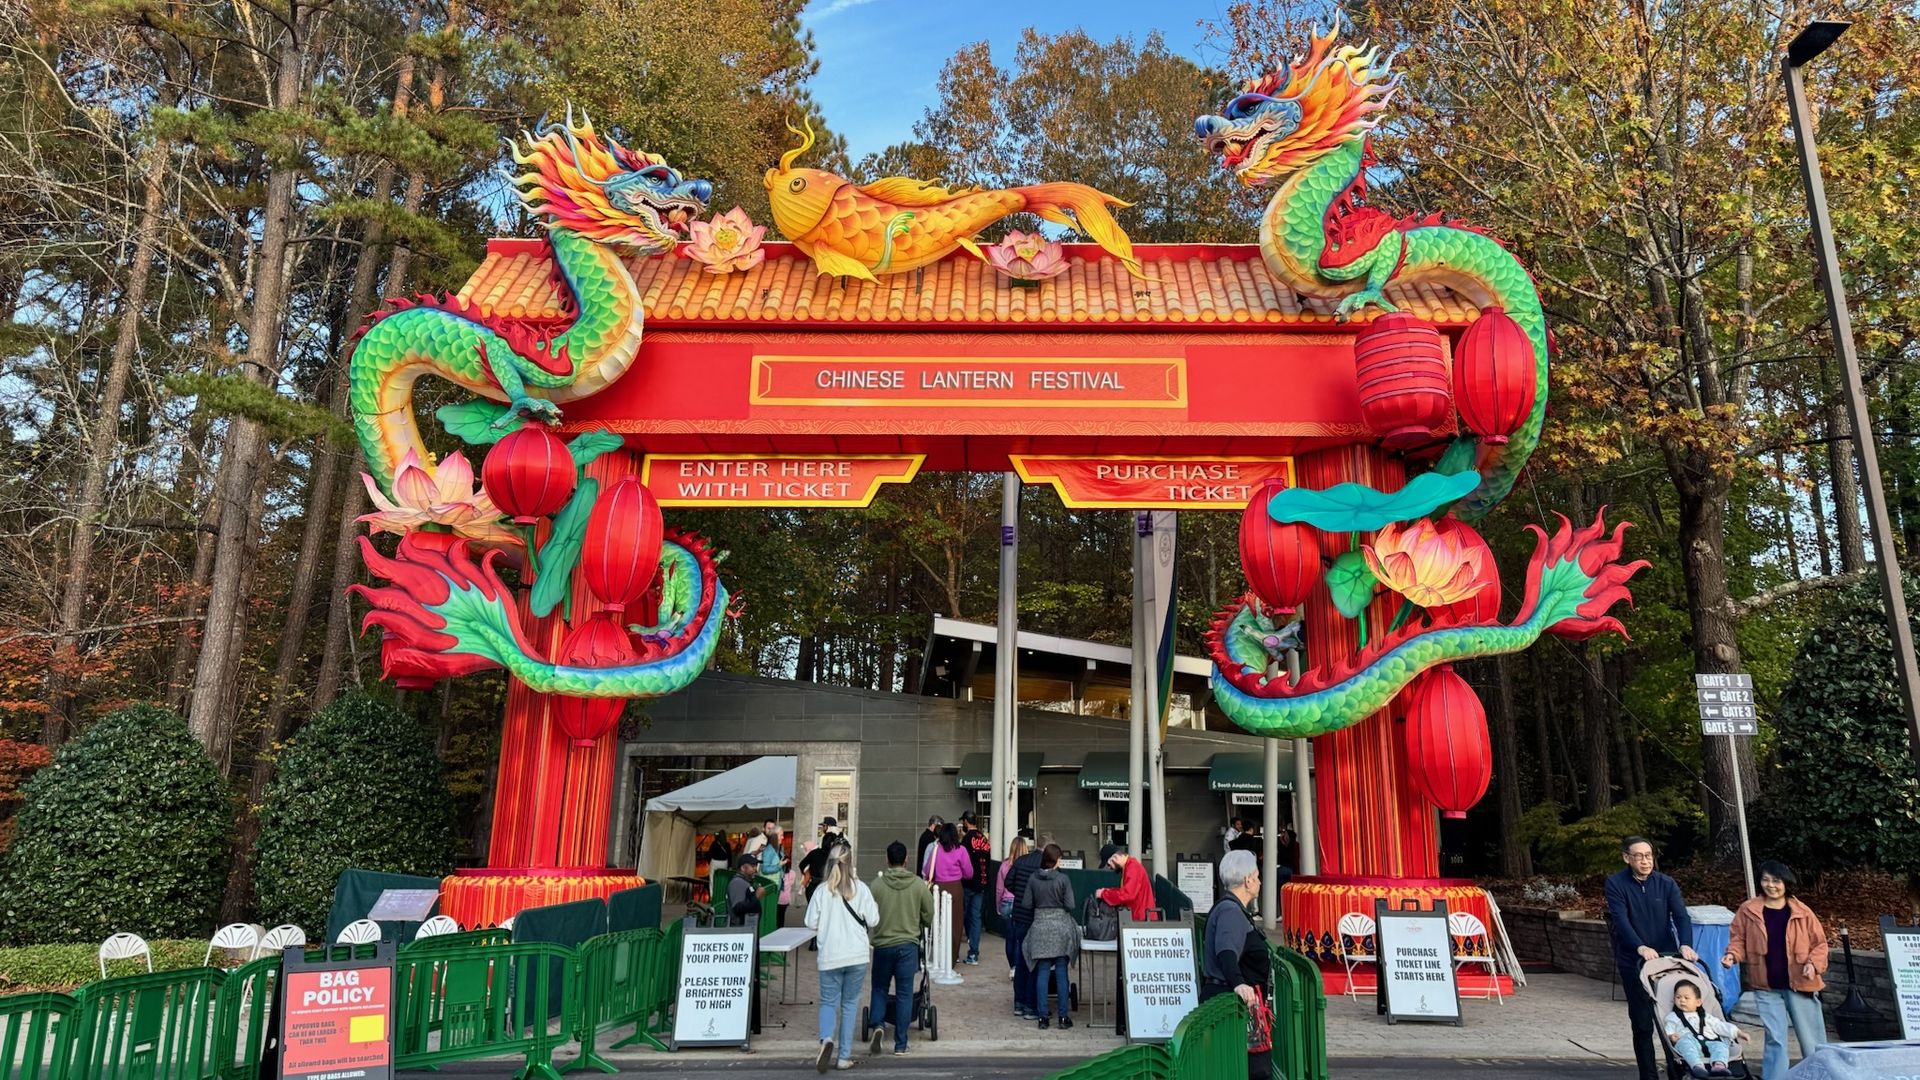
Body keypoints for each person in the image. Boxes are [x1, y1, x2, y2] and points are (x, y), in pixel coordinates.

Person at [1722, 860, 1828, 1078]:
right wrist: (1732, 955)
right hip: (1765, 985)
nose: (1770, 885)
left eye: (1776, 881)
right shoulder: (1748, 909)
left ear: (1786, 884)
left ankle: (1819, 1075)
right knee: (1775, 1038)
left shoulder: (1802, 911)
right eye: (1766, 880)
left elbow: (1820, 944)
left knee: (1812, 1039)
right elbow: (1738, 939)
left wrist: (1813, 964)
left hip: (1801, 984)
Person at [1606, 836, 1699, 1080]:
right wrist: (1639, 947)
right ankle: (1648, 1075)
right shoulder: (1616, 884)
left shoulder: (1666, 883)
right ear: (1627, 858)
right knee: (1643, 1022)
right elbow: (1621, 920)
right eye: (1639, 856)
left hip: (1665, 959)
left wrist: (1686, 945)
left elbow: (1681, 916)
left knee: (1672, 1019)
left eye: (1649, 855)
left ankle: (1677, 1069)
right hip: (1634, 959)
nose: (1645, 861)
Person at [804, 842, 877, 1072]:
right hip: (857, 955)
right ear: (851, 862)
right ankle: (844, 1057)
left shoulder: (822, 890)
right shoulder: (861, 889)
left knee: (828, 1002)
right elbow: (873, 920)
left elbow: (809, 922)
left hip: (830, 956)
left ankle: (826, 1038)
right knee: (850, 1004)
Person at [1203, 849, 1271, 1080]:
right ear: (1247, 880)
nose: (1260, 881)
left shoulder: (1231, 909)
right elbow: (1226, 951)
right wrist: (1239, 984)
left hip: (1231, 1002)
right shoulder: (1231, 912)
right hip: (1231, 1005)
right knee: (1252, 1071)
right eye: (1257, 875)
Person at [868, 840, 934, 1057]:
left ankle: (878, 1024)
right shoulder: (918, 885)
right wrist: (920, 923)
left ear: (887, 860)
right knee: (905, 993)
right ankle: (901, 1043)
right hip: (908, 946)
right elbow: (929, 914)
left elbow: (868, 914)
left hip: (883, 944)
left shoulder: (876, 886)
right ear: (906, 859)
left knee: (879, 987)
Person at [1020, 843, 1078, 1030]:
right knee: (1061, 972)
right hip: (1060, 927)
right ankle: (1063, 1017)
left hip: (1040, 927)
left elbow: (1026, 904)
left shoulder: (1033, 879)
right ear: (1055, 860)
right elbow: (1070, 905)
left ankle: (1042, 1018)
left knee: (1042, 972)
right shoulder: (1063, 879)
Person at [1004, 833, 1048, 1018]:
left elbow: (1008, 883)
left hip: (1020, 916)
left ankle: (1018, 1003)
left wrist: (1021, 896)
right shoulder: (1046, 864)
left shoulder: (1020, 861)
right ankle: (1031, 1006)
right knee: (1035, 963)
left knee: (1021, 961)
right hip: (1038, 917)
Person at [1664, 979, 1744, 1076]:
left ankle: (1719, 1065)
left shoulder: (1706, 1016)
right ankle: (1697, 1066)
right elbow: (1668, 1030)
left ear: (1698, 1002)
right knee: (1684, 1044)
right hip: (1690, 1043)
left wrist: (1738, 1032)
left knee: (1721, 1046)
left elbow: (1720, 1025)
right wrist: (1671, 1036)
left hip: (1710, 1041)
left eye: (1686, 998)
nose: (1682, 1000)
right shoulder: (1673, 1017)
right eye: (1678, 997)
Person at [926, 822, 972, 966]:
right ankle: (952, 957)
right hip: (956, 888)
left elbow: (927, 871)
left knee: (939, 923)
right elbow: (969, 873)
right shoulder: (961, 850)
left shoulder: (935, 850)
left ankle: (940, 955)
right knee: (956, 925)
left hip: (938, 888)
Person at [960, 812, 993, 965]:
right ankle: (974, 952)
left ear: (966, 822)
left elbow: (962, 862)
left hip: (968, 883)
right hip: (982, 882)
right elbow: (989, 860)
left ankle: (967, 946)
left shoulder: (966, 839)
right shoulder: (983, 838)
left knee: (965, 916)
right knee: (976, 918)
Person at [1096, 843, 1152, 922]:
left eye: (1109, 864)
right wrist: (1107, 892)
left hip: (1140, 919)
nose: (1110, 867)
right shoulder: (1129, 866)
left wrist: (1103, 894)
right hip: (1140, 917)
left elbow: (1127, 894)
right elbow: (1126, 892)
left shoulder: (1132, 867)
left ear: (1115, 857)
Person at [726, 852, 763, 928]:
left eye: (756, 866)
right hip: (741, 931)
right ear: (743, 868)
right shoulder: (737, 882)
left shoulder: (745, 881)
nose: (755, 869)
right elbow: (738, 908)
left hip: (748, 929)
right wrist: (756, 896)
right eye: (752, 866)